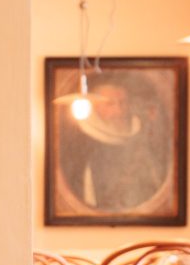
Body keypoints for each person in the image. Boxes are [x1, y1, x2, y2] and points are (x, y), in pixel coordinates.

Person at [56, 75, 169, 216]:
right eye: (110, 104)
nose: (119, 110)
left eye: (123, 102)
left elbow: (153, 173)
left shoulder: (143, 131)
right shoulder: (78, 137)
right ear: (95, 107)